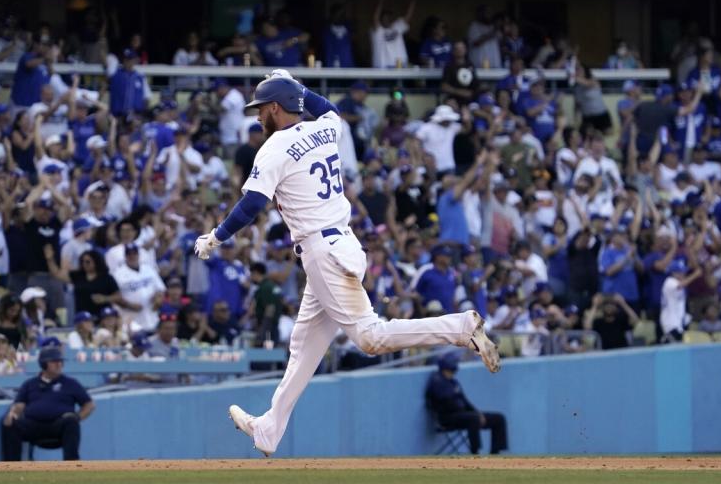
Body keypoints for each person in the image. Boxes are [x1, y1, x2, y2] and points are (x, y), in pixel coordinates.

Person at [194, 70, 499, 457]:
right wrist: (298, 87)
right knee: (303, 346)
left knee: (369, 337)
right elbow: (329, 108)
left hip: (323, 252)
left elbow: (253, 204)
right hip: (339, 244)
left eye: (260, 109)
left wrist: (216, 235)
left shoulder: (273, 148)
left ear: (275, 107)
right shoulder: (326, 128)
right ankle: (269, 428)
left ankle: (460, 327)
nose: (257, 117)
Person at [0, 346, 95, 461]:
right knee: (10, 423)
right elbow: (19, 404)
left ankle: (72, 465)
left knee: (71, 421)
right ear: (44, 364)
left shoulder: (71, 384)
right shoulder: (30, 384)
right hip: (34, 425)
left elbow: (89, 405)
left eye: (60, 361)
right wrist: (12, 413)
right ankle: (11, 467)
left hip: (59, 425)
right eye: (54, 361)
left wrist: (77, 417)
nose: (59, 364)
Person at [425, 353, 508, 454]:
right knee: (474, 419)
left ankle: (495, 453)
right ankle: (475, 452)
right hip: (447, 418)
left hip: (464, 415)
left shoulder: (453, 382)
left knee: (498, 418)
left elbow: (465, 401)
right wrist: (474, 415)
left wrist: (478, 413)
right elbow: (446, 405)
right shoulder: (437, 381)